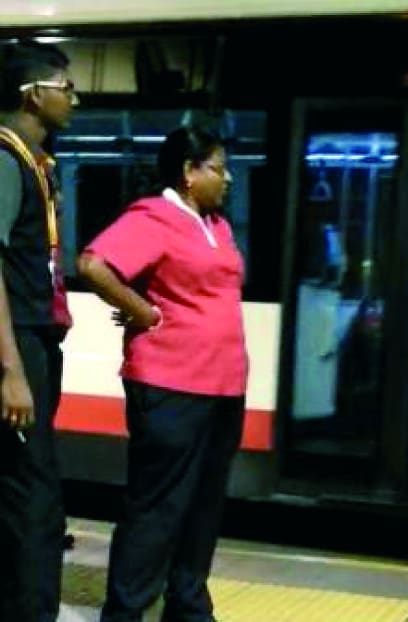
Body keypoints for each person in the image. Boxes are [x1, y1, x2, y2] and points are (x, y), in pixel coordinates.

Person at [77, 126, 245, 622]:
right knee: (157, 509)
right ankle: (126, 612)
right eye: (218, 167)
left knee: (204, 506)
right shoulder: (155, 216)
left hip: (223, 386)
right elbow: (93, 264)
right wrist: (143, 311)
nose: (228, 177)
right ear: (190, 173)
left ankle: (188, 606)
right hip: (171, 384)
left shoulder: (217, 223)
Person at [0, 41, 78, 622]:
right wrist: (11, 371)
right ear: (33, 94)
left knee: (30, 496)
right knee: (33, 501)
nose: (73, 97)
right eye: (64, 86)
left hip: (36, 340)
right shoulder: (5, 159)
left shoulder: (36, 161)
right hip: (17, 344)